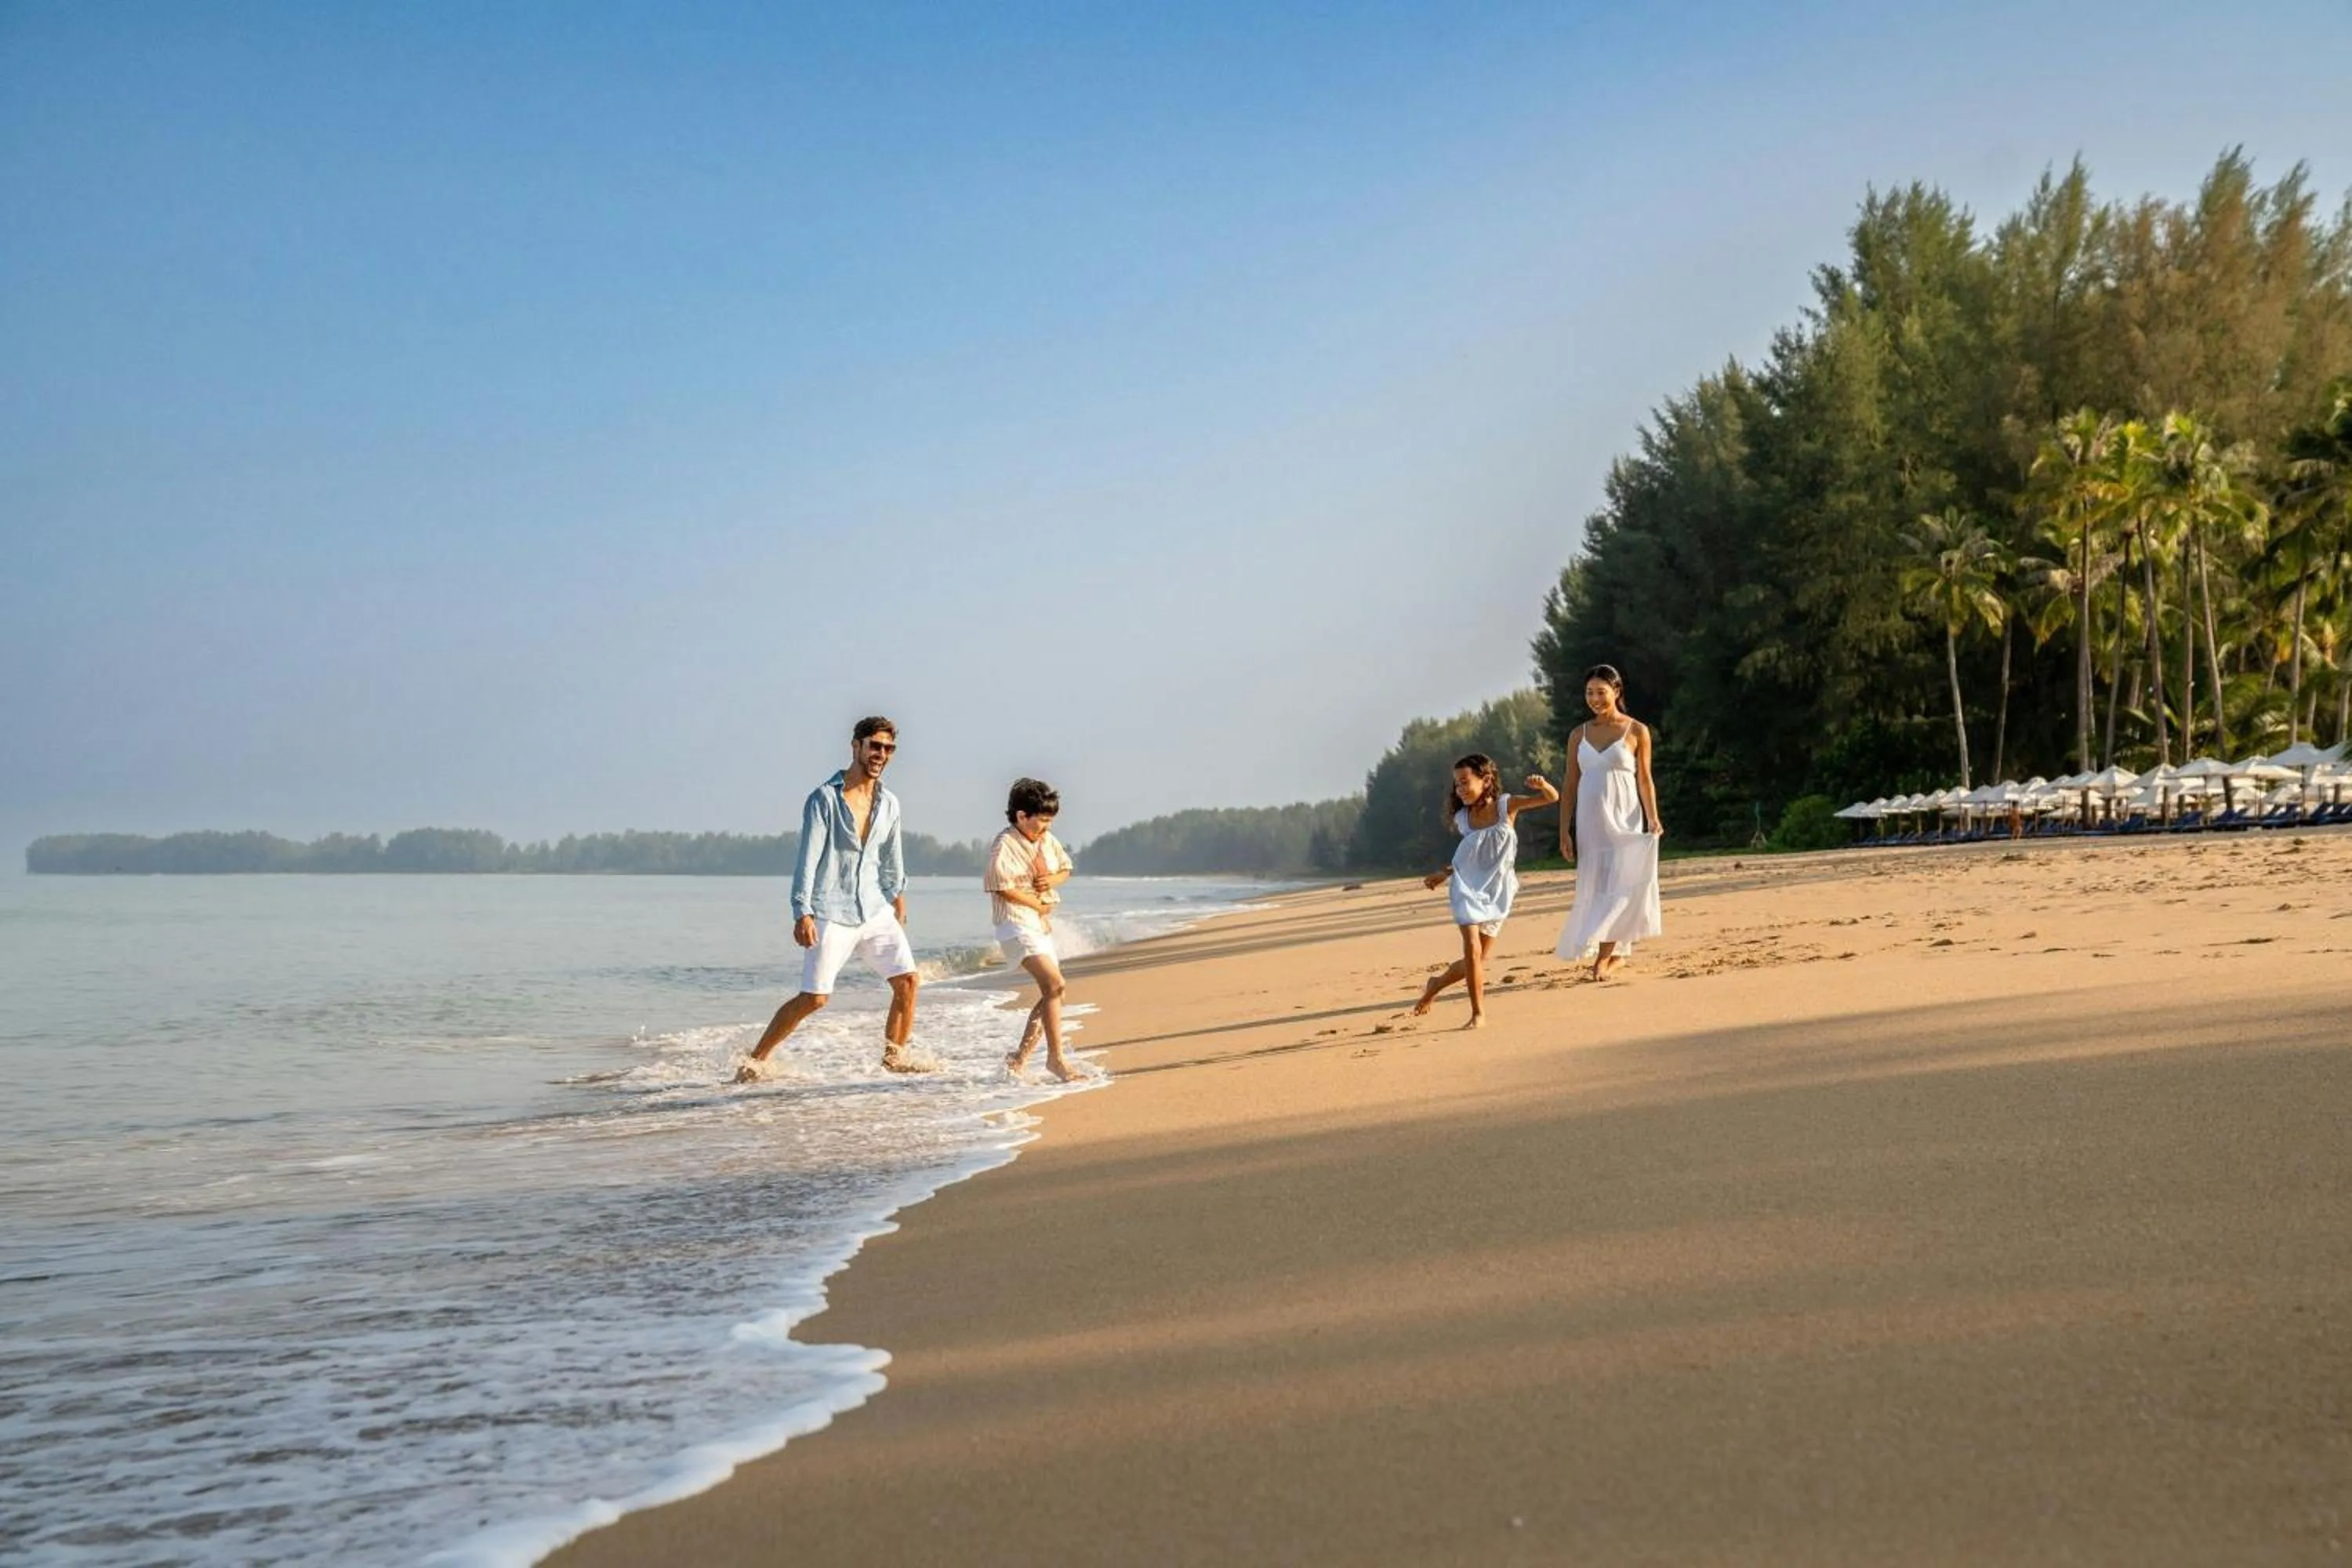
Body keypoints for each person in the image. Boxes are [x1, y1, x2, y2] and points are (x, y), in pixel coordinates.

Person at [734, 716, 931, 1081]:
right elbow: (807, 860)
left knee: (908, 981)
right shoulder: (823, 799)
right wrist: (802, 912)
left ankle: (894, 1057)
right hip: (830, 910)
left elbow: (892, 856)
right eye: (875, 746)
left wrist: (897, 896)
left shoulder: (889, 803)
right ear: (856, 746)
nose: (881, 754)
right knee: (815, 998)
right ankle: (755, 1061)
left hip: (874, 908)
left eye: (888, 749)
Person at [1413, 753, 1559, 1029]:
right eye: (1457, 785)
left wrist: (1543, 785)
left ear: (1487, 780)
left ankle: (1436, 984)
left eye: (1465, 782)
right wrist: (1443, 874)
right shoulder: (1463, 818)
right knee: (1472, 951)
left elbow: (1552, 798)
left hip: (1499, 890)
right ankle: (1477, 1014)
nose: (1460, 789)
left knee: (1479, 958)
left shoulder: (1507, 806)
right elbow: (1468, 858)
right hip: (1467, 889)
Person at [1555, 665, 1664, 978]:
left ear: (1616, 691)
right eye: (1589, 692)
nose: (1594, 698)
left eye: (1601, 692)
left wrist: (1653, 818)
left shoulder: (1637, 731)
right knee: (1601, 882)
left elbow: (1645, 779)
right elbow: (1570, 784)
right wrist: (1565, 830)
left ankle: (1602, 959)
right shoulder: (1579, 734)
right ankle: (1617, 952)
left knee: (1621, 881)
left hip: (1625, 815)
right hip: (1591, 822)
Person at [985, 778, 1081, 1081]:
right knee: (1054, 985)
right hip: (1014, 925)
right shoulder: (1005, 843)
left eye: (1050, 822)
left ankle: (1019, 1058)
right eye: (1041, 822)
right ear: (1021, 816)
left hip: (1039, 926)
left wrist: (1051, 882)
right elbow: (998, 886)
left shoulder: (1047, 840)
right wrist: (1037, 905)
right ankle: (1056, 1060)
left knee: (1055, 990)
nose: (1046, 829)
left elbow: (1065, 868)